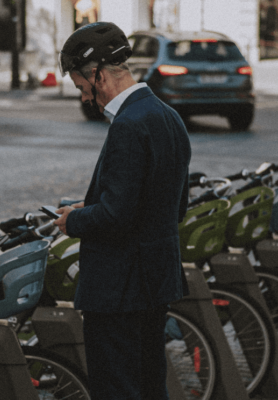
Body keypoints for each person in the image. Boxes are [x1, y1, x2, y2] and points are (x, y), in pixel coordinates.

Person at [54, 21, 191, 400]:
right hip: (155, 281)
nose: (84, 98)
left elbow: (116, 218)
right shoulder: (168, 117)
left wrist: (74, 220)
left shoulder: (128, 126)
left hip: (118, 289)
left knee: (117, 388)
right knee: (150, 384)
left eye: (82, 87)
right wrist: (98, 203)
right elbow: (174, 205)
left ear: (96, 75)